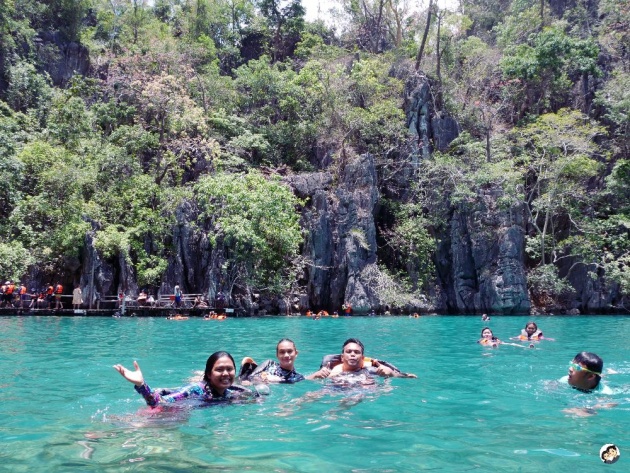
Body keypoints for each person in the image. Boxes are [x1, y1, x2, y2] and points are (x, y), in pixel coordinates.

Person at [113, 351, 264, 407]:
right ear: (209, 374)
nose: (226, 373)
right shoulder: (195, 390)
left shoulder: (231, 391)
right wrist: (141, 384)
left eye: (229, 369)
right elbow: (159, 402)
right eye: (219, 369)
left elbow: (254, 394)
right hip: (173, 410)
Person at [309, 338, 416, 381]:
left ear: (362, 358)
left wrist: (391, 373)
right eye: (349, 351)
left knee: (355, 397)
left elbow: (406, 376)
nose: (352, 354)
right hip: (336, 389)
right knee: (311, 395)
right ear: (342, 357)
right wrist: (315, 375)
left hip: (362, 391)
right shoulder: (331, 371)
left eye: (356, 352)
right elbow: (302, 379)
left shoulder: (369, 370)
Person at [239, 339, 322, 384]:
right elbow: (251, 377)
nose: (286, 355)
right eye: (282, 352)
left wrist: (316, 375)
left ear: (296, 354)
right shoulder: (269, 364)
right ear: (277, 355)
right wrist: (265, 378)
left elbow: (304, 380)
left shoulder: (297, 377)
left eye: (289, 351)